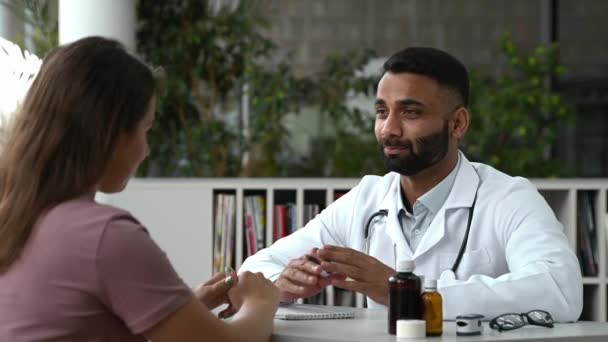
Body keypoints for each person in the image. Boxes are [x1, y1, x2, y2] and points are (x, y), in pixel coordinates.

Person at [240, 47, 583, 322]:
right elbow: (256, 266)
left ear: (458, 123)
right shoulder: (367, 199)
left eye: (410, 112)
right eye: (381, 111)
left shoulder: (509, 197)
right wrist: (281, 285)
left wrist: (406, 293)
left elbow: (560, 290)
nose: (389, 129)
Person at [0, 37, 278, 341]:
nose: (146, 150)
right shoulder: (104, 236)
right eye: (146, 130)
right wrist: (261, 303)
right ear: (113, 134)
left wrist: (179, 308)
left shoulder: (16, 216)